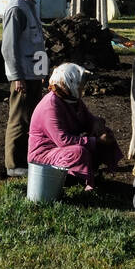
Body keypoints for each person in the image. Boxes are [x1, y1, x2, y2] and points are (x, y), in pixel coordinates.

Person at [28, 63, 122, 192]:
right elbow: (63, 140)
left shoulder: (72, 100)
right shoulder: (51, 105)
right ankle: (78, 180)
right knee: (78, 152)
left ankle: (90, 173)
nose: (82, 86)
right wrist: (97, 141)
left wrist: (98, 124)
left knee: (105, 134)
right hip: (44, 154)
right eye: (79, 83)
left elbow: (88, 119)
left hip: (59, 149)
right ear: (69, 83)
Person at [1, 0, 48, 177]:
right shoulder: (16, 9)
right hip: (23, 75)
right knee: (19, 118)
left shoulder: (29, 5)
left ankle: (28, 159)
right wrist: (17, 76)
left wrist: (41, 72)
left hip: (33, 73)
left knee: (32, 117)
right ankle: (13, 164)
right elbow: (9, 47)